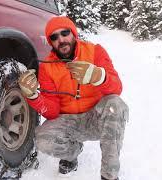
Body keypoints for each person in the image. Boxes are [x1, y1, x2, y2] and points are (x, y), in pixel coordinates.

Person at [18, 16, 128, 180]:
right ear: (50, 42)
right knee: (42, 138)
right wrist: (33, 96)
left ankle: (109, 175)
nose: (61, 40)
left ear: (73, 33)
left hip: (97, 118)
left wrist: (98, 76)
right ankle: (72, 155)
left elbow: (116, 88)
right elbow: (52, 111)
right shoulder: (47, 67)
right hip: (69, 121)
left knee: (115, 105)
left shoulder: (95, 51)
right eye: (54, 37)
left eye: (64, 33)